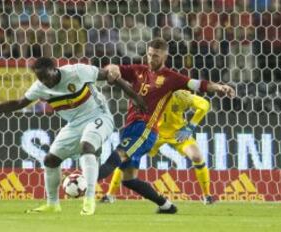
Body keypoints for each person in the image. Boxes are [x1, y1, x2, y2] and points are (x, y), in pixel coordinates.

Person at [0, 57, 145, 216]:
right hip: (74, 125)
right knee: (50, 160)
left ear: (55, 69)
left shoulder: (77, 71)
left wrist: (136, 98)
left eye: (47, 77)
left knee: (87, 146)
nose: (45, 82)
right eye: (41, 79)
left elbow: (110, 76)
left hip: (99, 116)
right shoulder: (40, 88)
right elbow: (18, 103)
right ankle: (52, 204)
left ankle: (89, 199)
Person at [99, 38, 235, 214]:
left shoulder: (172, 78)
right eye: (149, 54)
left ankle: (85, 180)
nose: (151, 58)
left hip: (146, 128)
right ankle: (166, 206)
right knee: (129, 179)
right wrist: (112, 68)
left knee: (116, 157)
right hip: (131, 127)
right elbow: (115, 68)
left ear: (164, 55)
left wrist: (218, 87)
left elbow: (198, 84)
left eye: (155, 55)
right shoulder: (137, 71)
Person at [100, 90, 214, 205]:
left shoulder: (181, 96)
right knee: (128, 156)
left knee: (197, 156)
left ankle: (207, 196)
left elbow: (204, 105)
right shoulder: (153, 95)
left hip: (178, 133)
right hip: (154, 133)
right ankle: (110, 195)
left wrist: (190, 126)